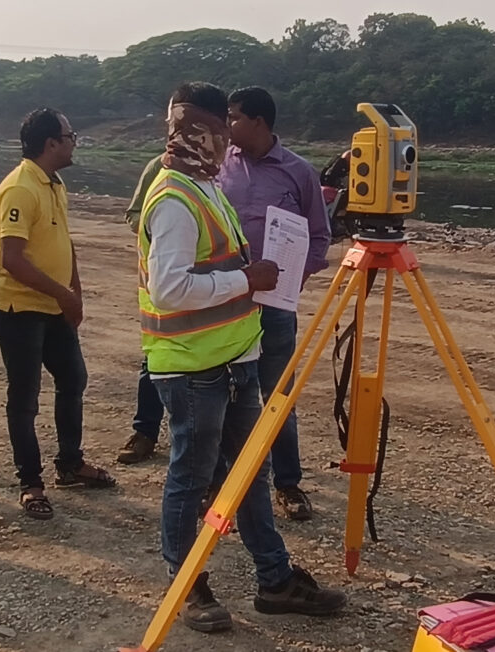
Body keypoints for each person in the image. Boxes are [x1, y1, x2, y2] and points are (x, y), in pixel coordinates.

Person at [140, 81, 345, 632]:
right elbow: (168, 288)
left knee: (249, 476)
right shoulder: (176, 197)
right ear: (193, 128)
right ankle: (188, 585)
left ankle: (275, 580)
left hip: (232, 359)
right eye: (217, 125)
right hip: (193, 365)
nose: (225, 135)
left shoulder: (205, 185)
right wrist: (246, 279)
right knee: (191, 476)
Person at [0, 108, 115, 521]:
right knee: (24, 399)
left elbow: (64, 241)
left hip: (53, 308)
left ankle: (70, 463)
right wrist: (64, 294)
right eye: (70, 134)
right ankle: (31, 483)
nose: (74, 141)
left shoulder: (54, 184)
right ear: (51, 144)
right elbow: (12, 259)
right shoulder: (21, 187)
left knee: (73, 380)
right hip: (20, 311)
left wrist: (74, 291)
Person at [217, 86, 331, 521]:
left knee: (278, 395)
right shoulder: (217, 169)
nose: (227, 126)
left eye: (233, 117)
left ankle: (287, 483)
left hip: (275, 308)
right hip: (226, 301)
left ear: (259, 123)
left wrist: (291, 280)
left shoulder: (299, 172)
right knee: (227, 393)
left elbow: (319, 238)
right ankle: (230, 481)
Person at [117, 153, 166, 465]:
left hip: (217, 286)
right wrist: (162, 230)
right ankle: (145, 432)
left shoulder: (224, 167)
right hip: (162, 284)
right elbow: (134, 214)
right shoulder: (158, 167)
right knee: (155, 359)